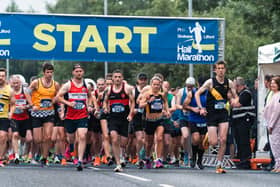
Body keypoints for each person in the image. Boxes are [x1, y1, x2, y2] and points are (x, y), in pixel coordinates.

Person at [195, 60, 237, 174]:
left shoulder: (229, 82)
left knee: (223, 139)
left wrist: (234, 101)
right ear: (215, 70)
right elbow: (197, 94)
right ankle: (209, 136)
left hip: (223, 113)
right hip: (211, 114)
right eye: (218, 68)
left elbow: (235, 96)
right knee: (213, 142)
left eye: (222, 68)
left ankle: (219, 164)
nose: (221, 70)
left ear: (225, 70)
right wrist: (201, 108)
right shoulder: (210, 82)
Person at [57, 64, 93, 171]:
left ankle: (80, 160)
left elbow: (90, 96)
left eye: (80, 71)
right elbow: (58, 97)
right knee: (71, 139)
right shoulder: (68, 85)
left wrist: (90, 105)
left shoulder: (86, 85)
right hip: (70, 116)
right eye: (77, 71)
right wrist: (68, 103)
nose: (79, 73)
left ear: (83, 72)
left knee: (82, 136)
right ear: (73, 72)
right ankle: (72, 151)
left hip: (83, 115)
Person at [26, 63, 60, 166]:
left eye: (51, 72)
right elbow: (27, 92)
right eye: (47, 72)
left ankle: (44, 158)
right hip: (37, 113)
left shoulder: (56, 84)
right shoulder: (36, 83)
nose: (49, 74)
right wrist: (32, 105)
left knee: (48, 137)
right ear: (43, 73)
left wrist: (54, 101)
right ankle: (40, 153)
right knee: (37, 139)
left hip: (49, 112)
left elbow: (58, 96)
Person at [103, 69, 134, 172]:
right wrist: (106, 107)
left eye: (119, 77)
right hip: (113, 118)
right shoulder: (108, 89)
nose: (117, 79)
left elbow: (133, 102)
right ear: (112, 78)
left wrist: (130, 114)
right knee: (114, 139)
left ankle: (122, 155)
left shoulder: (127, 89)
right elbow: (105, 101)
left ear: (122, 78)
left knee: (124, 142)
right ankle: (118, 163)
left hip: (124, 118)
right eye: (115, 77)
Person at [139, 76, 170, 169]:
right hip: (149, 121)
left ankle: (158, 160)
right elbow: (140, 105)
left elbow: (165, 103)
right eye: (154, 84)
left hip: (159, 120)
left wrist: (167, 111)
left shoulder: (162, 94)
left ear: (160, 85)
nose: (156, 86)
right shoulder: (147, 94)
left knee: (160, 138)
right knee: (149, 143)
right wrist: (148, 102)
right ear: (151, 85)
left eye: (158, 84)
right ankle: (148, 157)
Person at [231, 77, 255, 169]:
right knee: (239, 141)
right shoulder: (239, 94)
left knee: (244, 141)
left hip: (245, 120)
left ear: (237, 85)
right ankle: (241, 159)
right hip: (238, 121)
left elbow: (237, 104)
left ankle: (246, 161)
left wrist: (233, 100)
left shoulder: (246, 93)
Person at [10, 75, 33, 164]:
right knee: (15, 134)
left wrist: (25, 106)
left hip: (25, 118)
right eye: (14, 83)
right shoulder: (10, 92)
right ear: (11, 83)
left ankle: (25, 153)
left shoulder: (25, 91)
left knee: (29, 139)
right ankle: (16, 155)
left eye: (17, 83)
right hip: (14, 118)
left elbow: (31, 104)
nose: (16, 85)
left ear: (20, 83)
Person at [187, 77, 208, 169]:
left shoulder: (210, 94)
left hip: (204, 120)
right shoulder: (192, 93)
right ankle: (193, 157)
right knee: (196, 139)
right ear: (198, 85)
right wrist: (193, 109)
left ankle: (200, 160)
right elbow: (184, 105)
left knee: (203, 142)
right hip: (194, 119)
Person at [176, 77, 195, 166]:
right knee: (185, 135)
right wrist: (183, 108)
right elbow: (177, 105)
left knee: (193, 138)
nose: (189, 88)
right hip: (183, 117)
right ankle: (186, 153)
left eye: (191, 86)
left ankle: (192, 156)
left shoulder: (196, 92)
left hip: (193, 117)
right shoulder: (181, 92)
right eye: (188, 86)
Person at [130, 72, 148, 168]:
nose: (143, 81)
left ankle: (144, 156)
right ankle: (139, 158)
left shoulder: (149, 90)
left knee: (146, 139)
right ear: (138, 80)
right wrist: (133, 110)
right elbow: (131, 104)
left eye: (144, 79)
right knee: (140, 139)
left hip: (147, 116)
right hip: (136, 117)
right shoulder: (134, 91)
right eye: (141, 79)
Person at [263, 76, 280, 172]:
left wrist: (271, 124)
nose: (272, 84)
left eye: (275, 83)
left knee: (276, 144)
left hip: (276, 124)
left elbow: (276, 111)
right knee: (274, 144)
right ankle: (277, 165)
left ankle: (279, 164)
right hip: (272, 123)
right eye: (272, 82)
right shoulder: (274, 94)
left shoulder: (278, 95)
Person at [0, 68, 15, 167]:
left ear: (5, 77)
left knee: (2, 137)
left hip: (4, 117)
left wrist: (11, 113)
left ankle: (0, 158)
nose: (0, 78)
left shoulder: (10, 90)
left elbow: (13, 104)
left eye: (2, 76)